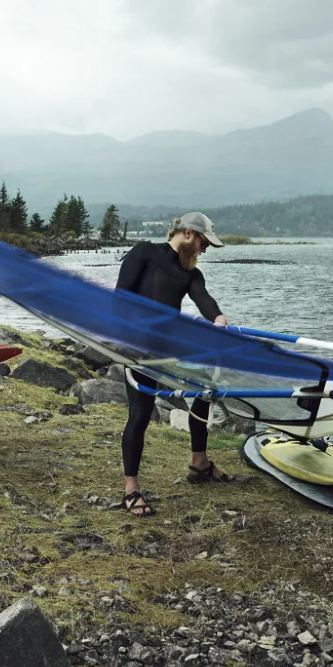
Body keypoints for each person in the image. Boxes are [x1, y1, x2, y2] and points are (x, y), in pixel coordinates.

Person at [114, 212, 237, 515]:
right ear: (187, 234)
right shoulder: (144, 252)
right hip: (139, 347)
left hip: (170, 347)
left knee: (205, 387)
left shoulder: (190, 274)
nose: (204, 250)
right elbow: (119, 298)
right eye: (203, 243)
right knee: (141, 412)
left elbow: (204, 300)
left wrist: (219, 319)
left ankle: (200, 464)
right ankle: (131, 489)